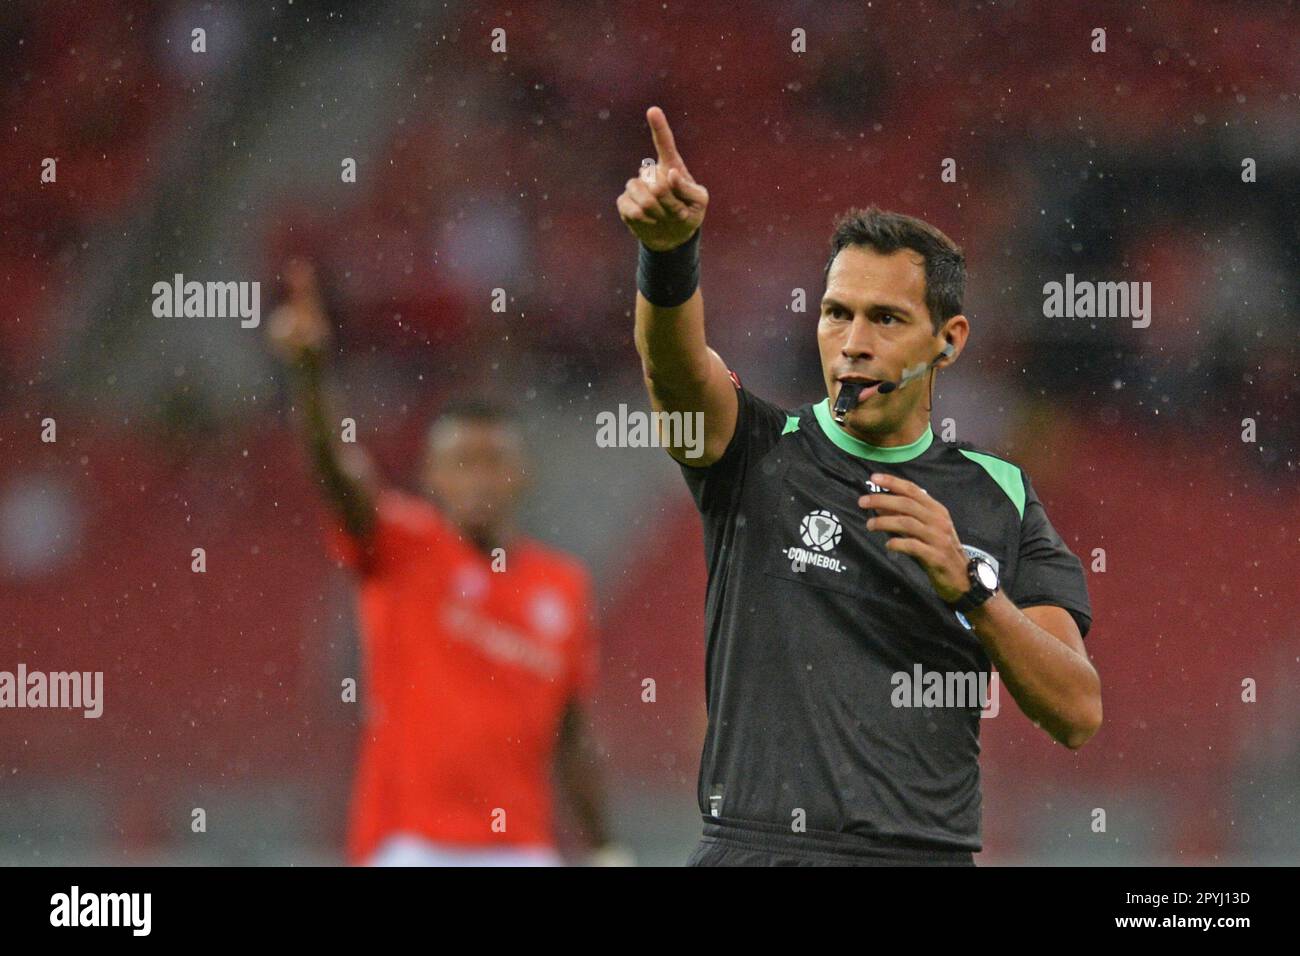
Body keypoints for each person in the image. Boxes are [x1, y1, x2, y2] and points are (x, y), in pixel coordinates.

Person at [617, 106, 1101, 866]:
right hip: (758, 851)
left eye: (885, 319)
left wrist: (972, 590)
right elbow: (673, 371)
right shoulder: (755, 451)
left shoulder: (998, 494)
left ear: (948, 341)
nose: (853, 344)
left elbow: (1077, 709)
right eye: (836, 313)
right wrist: (670, 256)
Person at [267, 261, 624, 866]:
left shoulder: (562, 585)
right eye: (462, 461)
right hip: (411, 845)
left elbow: (572, 733)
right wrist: (310, 378)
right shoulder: (405, 545)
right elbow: (337, 476)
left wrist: (604, 847)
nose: (480, 478)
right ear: (432, 475)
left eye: (494, 461)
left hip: (522, 851)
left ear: (523, 474)